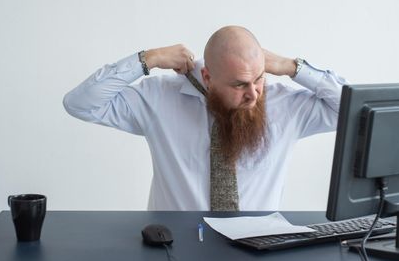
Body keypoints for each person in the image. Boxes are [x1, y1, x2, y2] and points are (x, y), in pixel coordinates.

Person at [63, 25, 347, 211]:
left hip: (259, 251)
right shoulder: (159, 99)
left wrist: (292, 67)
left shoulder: (285, 104)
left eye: (258, 79)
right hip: (174, 250)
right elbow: (81, 104)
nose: (254, 95)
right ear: (208, 77)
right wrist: (147, 59)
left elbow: (350, 110)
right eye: (239, 85)